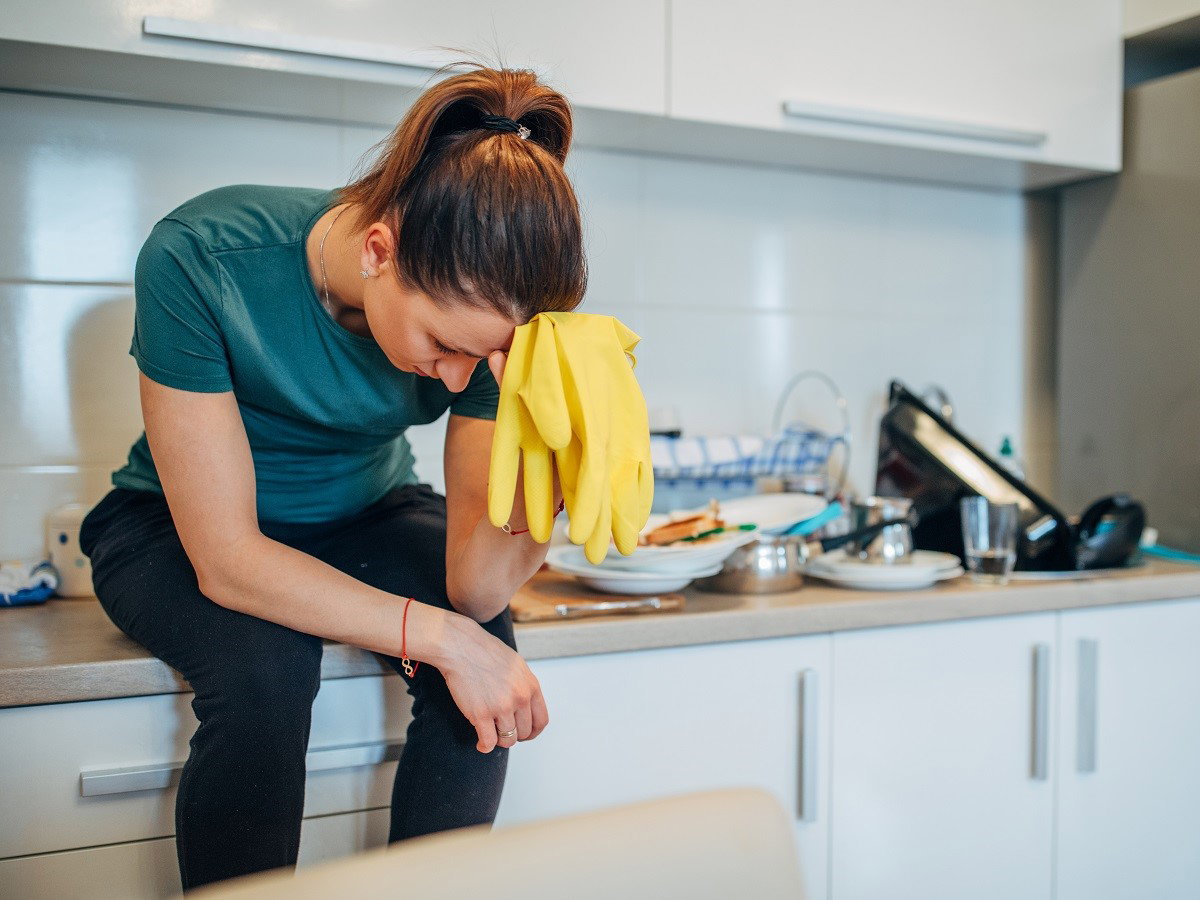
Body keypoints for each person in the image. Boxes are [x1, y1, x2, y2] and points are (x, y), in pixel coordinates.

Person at [79, 62, 587, 891]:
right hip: (170, 527)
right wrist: (438, 636)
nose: (460, 380)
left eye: (483, 358)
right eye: (444, 347)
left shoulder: (491, 333)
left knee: (481, 667)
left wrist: (553, 474)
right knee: (265, 668)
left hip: (368, 513)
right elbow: (229, 560)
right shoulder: (202, 257)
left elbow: (476, 590)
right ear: (379, 249)